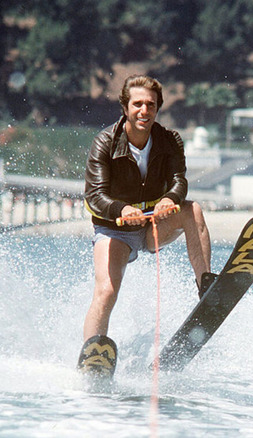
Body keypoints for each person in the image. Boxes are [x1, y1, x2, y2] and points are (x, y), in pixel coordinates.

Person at [81, 75, 215, 347]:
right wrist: (121, 208)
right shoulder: (105, 142)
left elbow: (179, 181)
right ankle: (93, 351)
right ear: (125, 108)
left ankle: (207, 287)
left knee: (193, 210)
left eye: (151, 105)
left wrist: (170, 199)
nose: (144, 111)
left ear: (157, 108)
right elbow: (94, 195)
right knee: (106, 291)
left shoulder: (169, 140)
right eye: (138, 104)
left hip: (153, 224)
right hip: (115, 229)